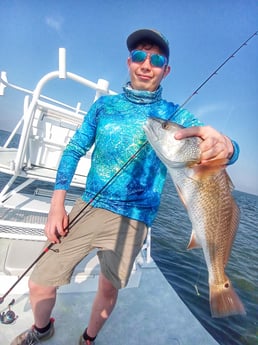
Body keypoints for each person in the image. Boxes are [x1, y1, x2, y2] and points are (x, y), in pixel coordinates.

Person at [11, 28, 239, 345]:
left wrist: (228, 146)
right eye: (139, 56)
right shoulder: (104, 107)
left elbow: (215, 145)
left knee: (108, 287)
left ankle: (88, 338)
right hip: (87, 208)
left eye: (156, 59)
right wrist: (56, 204)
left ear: (166, 70)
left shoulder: (175, 114)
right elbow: (74, 150)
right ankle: (41, 329)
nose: (147, 64)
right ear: (128, 62)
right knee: (40, 281)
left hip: (135, 220)